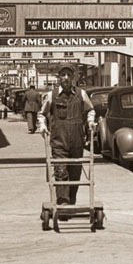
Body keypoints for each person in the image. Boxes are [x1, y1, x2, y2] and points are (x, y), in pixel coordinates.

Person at [37, 76, 95, 209]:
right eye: (63, 74)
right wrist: (43, 125)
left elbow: (90, 110)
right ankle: (62, 202)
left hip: (77, 140)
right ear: (59, 77)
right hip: (59, 140)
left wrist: (91, 122)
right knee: (60, 169)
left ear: (73, 77)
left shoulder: (81, 94)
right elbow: (42, 113)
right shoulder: (52, 95)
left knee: (75, 170)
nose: (66, 78)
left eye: (69, 74)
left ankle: (71, 199)